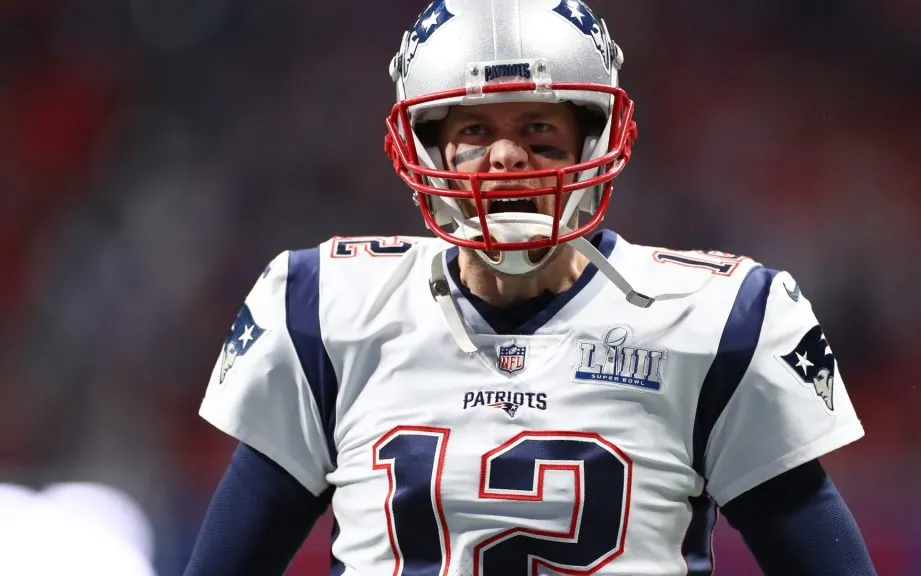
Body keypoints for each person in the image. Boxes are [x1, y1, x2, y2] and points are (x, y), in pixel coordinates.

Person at [185, 1, 878, 574]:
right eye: (476, 129)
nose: (508, 156)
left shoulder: (713, 321)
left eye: (540, 130)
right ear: (426, 147)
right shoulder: (327, 311)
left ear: (594, 142)